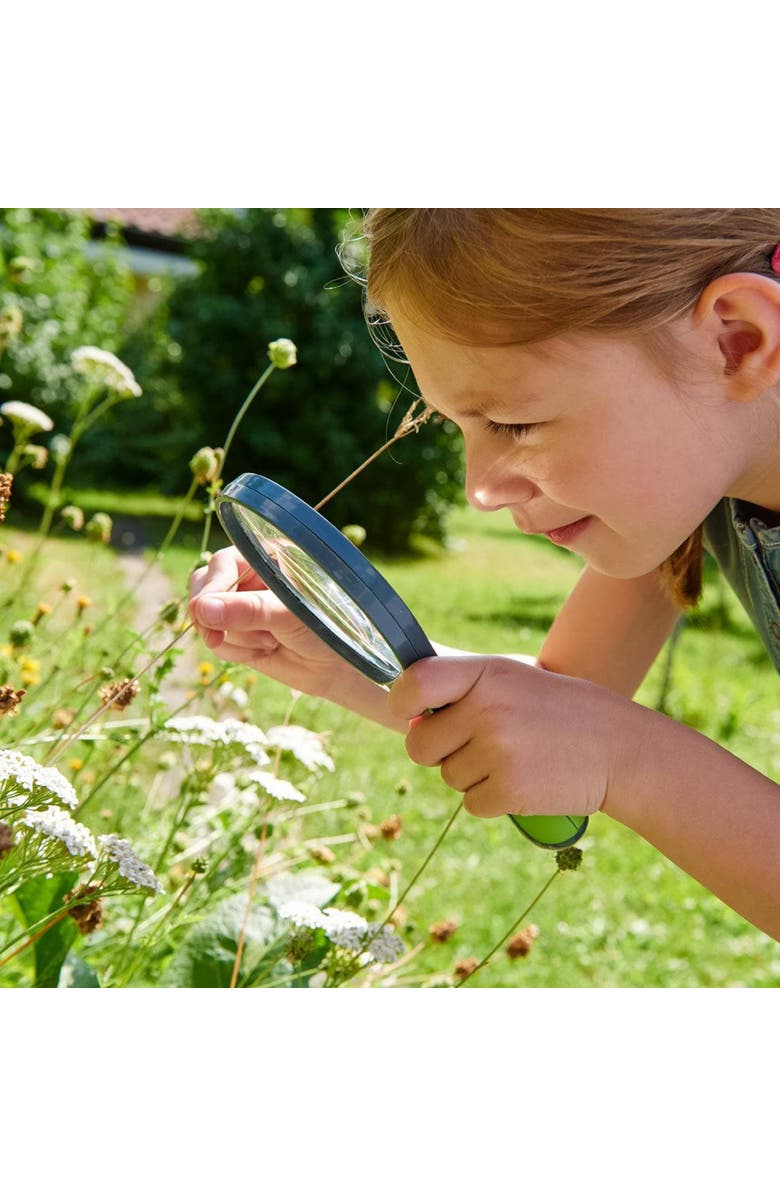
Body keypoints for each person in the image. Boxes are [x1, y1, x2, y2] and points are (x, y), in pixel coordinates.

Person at [190, 209, 780, 942]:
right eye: (457, 425)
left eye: (514, 423)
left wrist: (630, 758)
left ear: (738, 341)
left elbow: (596, 732)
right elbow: (567, 704)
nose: (479, 489)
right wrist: (356, 662)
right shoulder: (697, 482)